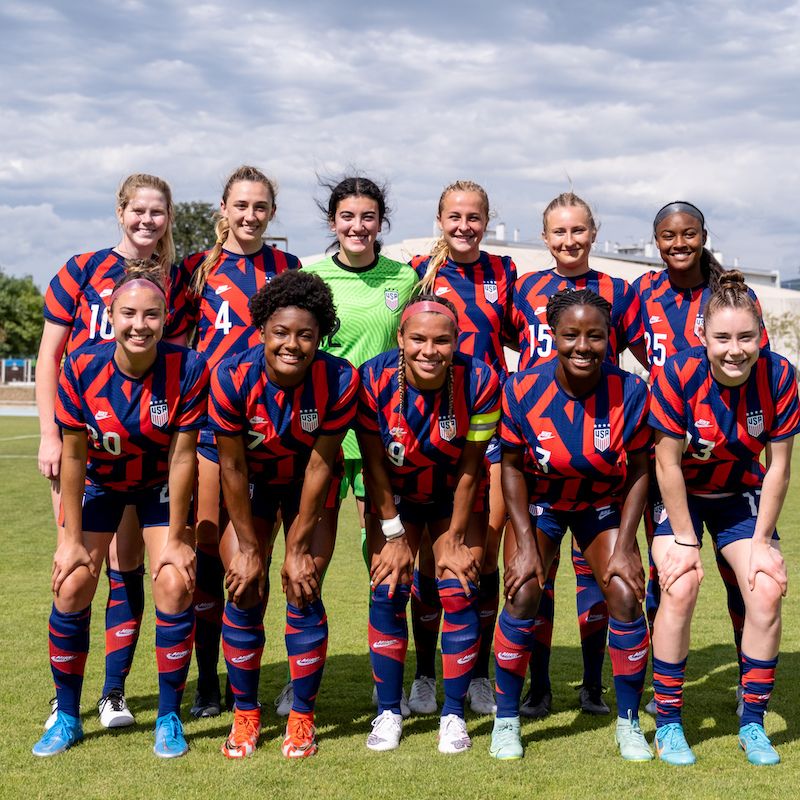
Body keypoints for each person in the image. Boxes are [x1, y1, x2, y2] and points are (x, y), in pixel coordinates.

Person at [32, 268, 209, 758]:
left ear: (165, 319)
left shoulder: (188, 366)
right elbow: (73, 457)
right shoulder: (81, 365)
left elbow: (183, 457)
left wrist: (179, 537)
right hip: (101, 484)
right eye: (128, 313)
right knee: (72, 583)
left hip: (158, 486)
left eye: (151, 314)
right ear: (110, 317)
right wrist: (70, 540)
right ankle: (67, 716)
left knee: (174, 580)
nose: (139, 324)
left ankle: (168, 717)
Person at [36, 174, 177, 729]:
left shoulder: (176, 280)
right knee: (76, 567)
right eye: (138, 210)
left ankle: (113, 693)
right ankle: (63, 700)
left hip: (142, 446)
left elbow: (176, 359)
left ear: (168, 218)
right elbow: (50, 357)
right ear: (120, 212)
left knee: (128, 565)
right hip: (83, 441)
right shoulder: (80, 270)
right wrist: (50, 434)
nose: (147, 220)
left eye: (157, 212)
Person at [491, 288, 652, 762]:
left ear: (609, 339)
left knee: (624, 592)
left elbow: (640, 470)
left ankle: (628, 722)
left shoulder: (631, 390)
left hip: (600, 504)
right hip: (542, 503)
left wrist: (626, 544)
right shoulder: (522, 388)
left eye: (595, 336)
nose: (583, 346)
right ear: (553, 336)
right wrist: (524, 543)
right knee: (523, 591)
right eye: (571, 335)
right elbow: (511, 468)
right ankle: (506, 721)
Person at [648, 270, 797, 767]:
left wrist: (762, 544)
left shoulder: (779, 375)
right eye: (723, 338)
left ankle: (752, 721)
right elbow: (666, 464)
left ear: (761, 333)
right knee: (681, 583)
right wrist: (685, 540)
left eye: (746, 337)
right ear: (702, 335)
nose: (736, 350)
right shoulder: (676, 373)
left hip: (741, 494)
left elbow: (778, 468)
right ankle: (668, 723)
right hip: (681, 496)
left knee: (766, 587)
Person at [208, 270, 358, 759]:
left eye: (305, 335)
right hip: (251, 484)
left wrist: (295, 549)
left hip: (307, 486)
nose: (292, 344)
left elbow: (319, 465)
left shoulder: (340, 378)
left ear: (321, 336)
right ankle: (245, 714)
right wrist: (251, 549)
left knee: (303, 582)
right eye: (280, 332)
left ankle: (302, 718)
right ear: (261, 331)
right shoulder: (231, 376)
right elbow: (232, 466)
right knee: (244, 584)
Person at [168, 165, 301, 717]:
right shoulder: (196, 269)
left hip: (269, 433)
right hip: (207, 429)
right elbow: (176, 347)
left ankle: (245, 679)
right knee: (206, 557)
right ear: (223, 209)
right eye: (240, 205)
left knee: (255, 559)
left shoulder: (286, 268)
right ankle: (207, 681)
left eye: (260, 206)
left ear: (272, 213)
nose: (250, 215)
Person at [509, 192, 647, 717]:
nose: (569, 240)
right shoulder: (525, 289)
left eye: (578, 230)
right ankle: (538, 687)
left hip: (598, 440)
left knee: (598, 580)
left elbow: (640, 354)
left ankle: (593, 685)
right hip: (540, 444)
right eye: (559, 231)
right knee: (533, 583)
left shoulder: (618, 291)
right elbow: (509, 345)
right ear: (545, 237)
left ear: (594, 232)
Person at [634, 201, 769, 716]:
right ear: (656, 241)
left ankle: (748, 680)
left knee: (746, 580)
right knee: (669, 576)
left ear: (703, 236)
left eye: (689, 233)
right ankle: (661, 687)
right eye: (668, 235)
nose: (679, 243)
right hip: (672, 458)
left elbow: (754, 365)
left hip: (734, 461)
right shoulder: (642, 292)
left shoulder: (734, 296)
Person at [357, 294, 501, 753]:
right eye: (418, 339)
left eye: (442, 341)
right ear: (400, 338)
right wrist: (394, 533)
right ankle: (388, 710)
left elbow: (472, 466)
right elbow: (373, 464)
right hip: (395, 497)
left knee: (458, 585)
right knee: (389, 586)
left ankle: (453, 714)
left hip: (453, 494)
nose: (429, 350)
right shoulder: (372, 378)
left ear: (456, 341)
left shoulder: (480, 379)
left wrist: (454, 538)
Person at [297, 176, 417, 717]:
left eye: (368, 216)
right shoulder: (311, 278)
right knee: (310, 558)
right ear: (333, 222)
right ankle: (301, 681)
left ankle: (385, 683)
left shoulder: (403, 278)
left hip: (382, 436)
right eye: (347, 216)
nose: (358, 226)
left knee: (385, 560)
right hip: (322, 434)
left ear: (380, 222)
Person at [408, 180, 517, 717]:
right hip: (431, 425)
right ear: (439, 219)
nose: (464, 226)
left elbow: (526, 335)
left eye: (474, 217)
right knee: (429, 557)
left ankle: (476, 674)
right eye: (454, 216)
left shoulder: (505, 273)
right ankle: (424, 674)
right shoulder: (417, 272)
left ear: (487, 221)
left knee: (482, 553)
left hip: (487, 422)